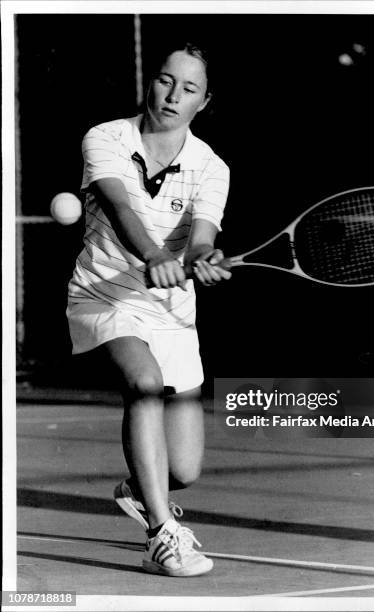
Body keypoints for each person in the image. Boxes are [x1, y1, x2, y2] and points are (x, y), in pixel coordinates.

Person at [66, 41, 231, 577]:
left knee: (183, 469)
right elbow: (118, 206)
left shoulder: (212, 167)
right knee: (143, 381)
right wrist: (157, 254)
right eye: (166, 80)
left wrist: (202, 259)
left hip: (173, 313)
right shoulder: (106, 137)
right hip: (104, 295)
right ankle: (162, 535)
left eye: (188, 89)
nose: (172, 95)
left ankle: (143, 491)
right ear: (151, 81)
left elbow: (203, 236)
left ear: (204, 102)